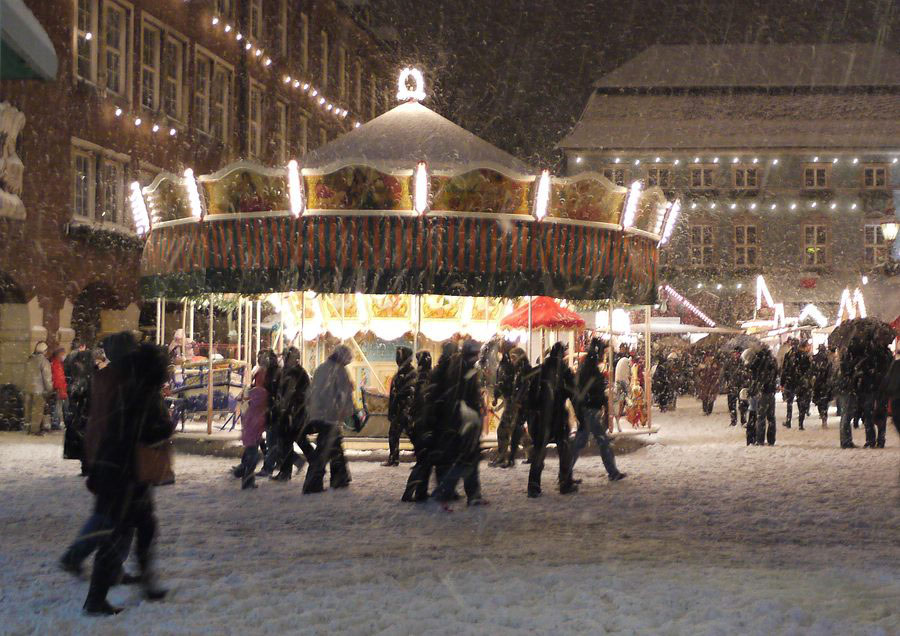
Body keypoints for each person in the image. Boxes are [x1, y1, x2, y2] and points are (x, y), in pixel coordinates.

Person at [82, 343, 175, 615]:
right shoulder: (144, 395)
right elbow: (146, 433)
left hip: (118, 470)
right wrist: (165, 426)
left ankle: (143, 583)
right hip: (125, 474)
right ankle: (97, 599)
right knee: (119, 533)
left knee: (140, 527)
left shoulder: (128, 389)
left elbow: (117, 429)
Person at [60, 332, 139, 580]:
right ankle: (84, 559)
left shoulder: (106, 377)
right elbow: (111, 420)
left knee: (113, 515)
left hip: (109, 454)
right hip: (116, 456)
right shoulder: (120, 380)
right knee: (115, 517)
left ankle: (96, 561)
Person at [430, 340, 486, 506]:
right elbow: (462, 396)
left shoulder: (459, 368)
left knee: (467, 459)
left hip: (462, 420)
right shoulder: (462, 369)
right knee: (466, 459)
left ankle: (464, 492)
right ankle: (448, 491)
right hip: (464, 420)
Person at [402, 344, 455, 502]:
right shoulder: (428, 378)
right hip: (428, 423)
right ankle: (417, 492)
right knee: (427, 461)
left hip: (424, 423)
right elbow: (424, 402)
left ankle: (420, 491)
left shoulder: (422, 377)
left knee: (426, 460)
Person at [527, 342, 578, 498]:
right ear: (562, 355)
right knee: (564, 450)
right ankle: (565, 482)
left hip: (541, 418)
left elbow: (531, 396)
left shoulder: (540, 370)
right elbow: (574, 394)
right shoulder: (564, 372)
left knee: (539, 451)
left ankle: (534, 486)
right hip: (557, 417)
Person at [301, 345, 353, 493]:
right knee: (326, 448)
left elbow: (312, 392)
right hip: (330, 415)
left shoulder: (322, 368)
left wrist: (311, 410)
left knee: (333, 445)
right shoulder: (340, 371)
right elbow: (344, 394)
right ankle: (315, 482)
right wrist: (346, 412)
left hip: (318, 414)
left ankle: (339, 477)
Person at [573, 337, 625, 481]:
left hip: (588, 408)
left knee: (585, 441)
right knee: (597, 441)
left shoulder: (587, 367)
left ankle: (566, 472)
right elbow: (594, 389)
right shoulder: (591, 369)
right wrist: (600, 402)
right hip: (589, 409)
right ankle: (612, 472)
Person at [271, 347, 312, 481]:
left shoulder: (300, 373)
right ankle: (286, 471)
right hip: (285, 413)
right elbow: (279, 390)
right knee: (286, 442)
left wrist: (295, 406)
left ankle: (316, 464)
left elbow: (305, 393)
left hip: (296, 413)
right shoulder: (284, 372)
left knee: (297, 440)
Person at [238, 367, 270, 489]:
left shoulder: (253, 393)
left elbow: (243, 400)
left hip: (252, 428)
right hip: (253, 428)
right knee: (253, 456)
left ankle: (245, 476)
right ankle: (246, 478)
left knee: (251, 454)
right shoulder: (261, 393)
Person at [384, 346, 415, 467]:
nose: (397, 358)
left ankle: (423, 458)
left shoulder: (411, 373)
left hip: (406, 410)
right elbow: (394, 394)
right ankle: (393, 458)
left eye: (400, 356)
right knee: (393, 434)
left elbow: (409, 391)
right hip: (398, 410)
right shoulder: (400, 373)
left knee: (412, 434)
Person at [864, 342, 893, 449]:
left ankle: (872, 439)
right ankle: (878, 439)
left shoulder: (871, 353)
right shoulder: (886, 354)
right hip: (878, 386)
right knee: (878, 412)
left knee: (871, 413)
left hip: (874, 386)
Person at [749, 346, 778, 446]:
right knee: (771, 417)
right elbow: (776, 374)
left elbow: (754, 373)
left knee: (761, 417)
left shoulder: (760, 361)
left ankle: (760, 440)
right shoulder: (773, 361)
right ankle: (771, 440)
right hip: (771, 391)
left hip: (763, 391)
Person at [24, 341, 53, 435]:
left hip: (28, 388)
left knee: (28, 409)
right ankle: (35, 429)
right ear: (44, 351)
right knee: (37, 410)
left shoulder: (30, 360)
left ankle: (27, 428)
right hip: (39, 390)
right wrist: (50, 389)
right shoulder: (44, 361)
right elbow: (47, 378)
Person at [790, 341, 814, 431]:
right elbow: (810, 370)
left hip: (797, 382)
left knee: (800, 401)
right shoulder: (806, 357)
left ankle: (801, 419)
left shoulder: (794, 356)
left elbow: (792, 370)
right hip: (804, 382)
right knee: (804, 401)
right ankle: (801, 420)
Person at [722, 347, 748, 426]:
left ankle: (743, 420)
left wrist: (743, 375)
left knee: (743, 405)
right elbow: (725, 373)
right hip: (732, 386)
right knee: (731, 405)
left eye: (737, 353)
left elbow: (748, 374)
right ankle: (733, 420)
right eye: (734, 353)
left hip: (741, 386)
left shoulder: (744, 362)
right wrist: (727, 381)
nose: (735, 355)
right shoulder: (729, 363)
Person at [780, 338, 801, 428]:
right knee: (800, 402)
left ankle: (789, 420)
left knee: (790, 402)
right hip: (799, 381)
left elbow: (784, 370)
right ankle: (801, 422)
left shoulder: (788, 355)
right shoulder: (801, 355)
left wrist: (782, 382)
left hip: (790, 381)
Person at [811, 344, 833, 428]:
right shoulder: (827, 359)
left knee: (819, 401)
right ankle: (824, 417)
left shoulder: (814, 358)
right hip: (825, 384)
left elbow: (812, 371)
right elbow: (830, 372)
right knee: (825, 401)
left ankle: (821, 414)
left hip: (817, 383)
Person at [612, 349, 632, 432]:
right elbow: (628, 374)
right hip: (622, 382)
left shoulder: (621, 362)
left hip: (618, 381)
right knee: (627, 396)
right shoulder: (626, 362)